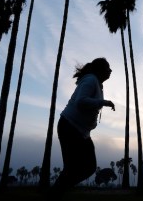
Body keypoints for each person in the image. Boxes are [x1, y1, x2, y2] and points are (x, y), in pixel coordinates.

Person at [48, 57, 115, 200]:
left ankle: (57, 192)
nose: (110, 70)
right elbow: (81, 101)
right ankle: (55, 193)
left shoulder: (96, 83)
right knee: (77, 167)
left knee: (88, 167)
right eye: (108, 68)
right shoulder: (90, 80)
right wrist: (103, 102)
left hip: (82, 132)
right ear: (100, 70)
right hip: (70, 127)